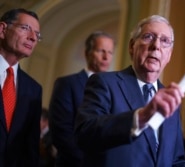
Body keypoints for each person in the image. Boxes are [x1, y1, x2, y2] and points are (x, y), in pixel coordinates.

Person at [75, 15, 185, 167]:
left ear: (169, 55)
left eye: (165, 41)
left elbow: (176, 160)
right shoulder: (105, 83)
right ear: (132, 46)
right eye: (148, 37)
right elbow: (85, 133)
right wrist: (141, 117)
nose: (156, 46)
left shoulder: (170, 99)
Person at [49, 31, 115, 167]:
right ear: (87, 53)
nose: (106, 57)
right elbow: (61, 132)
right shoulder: (67, 84)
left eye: (110, 52)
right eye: (100, 51)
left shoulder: (115, 88)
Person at [0, 8, 42, 167]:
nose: (32, 38)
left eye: (37, 35)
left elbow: (30, 147)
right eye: (25, 28)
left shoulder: (34, 89)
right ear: (2, 30)